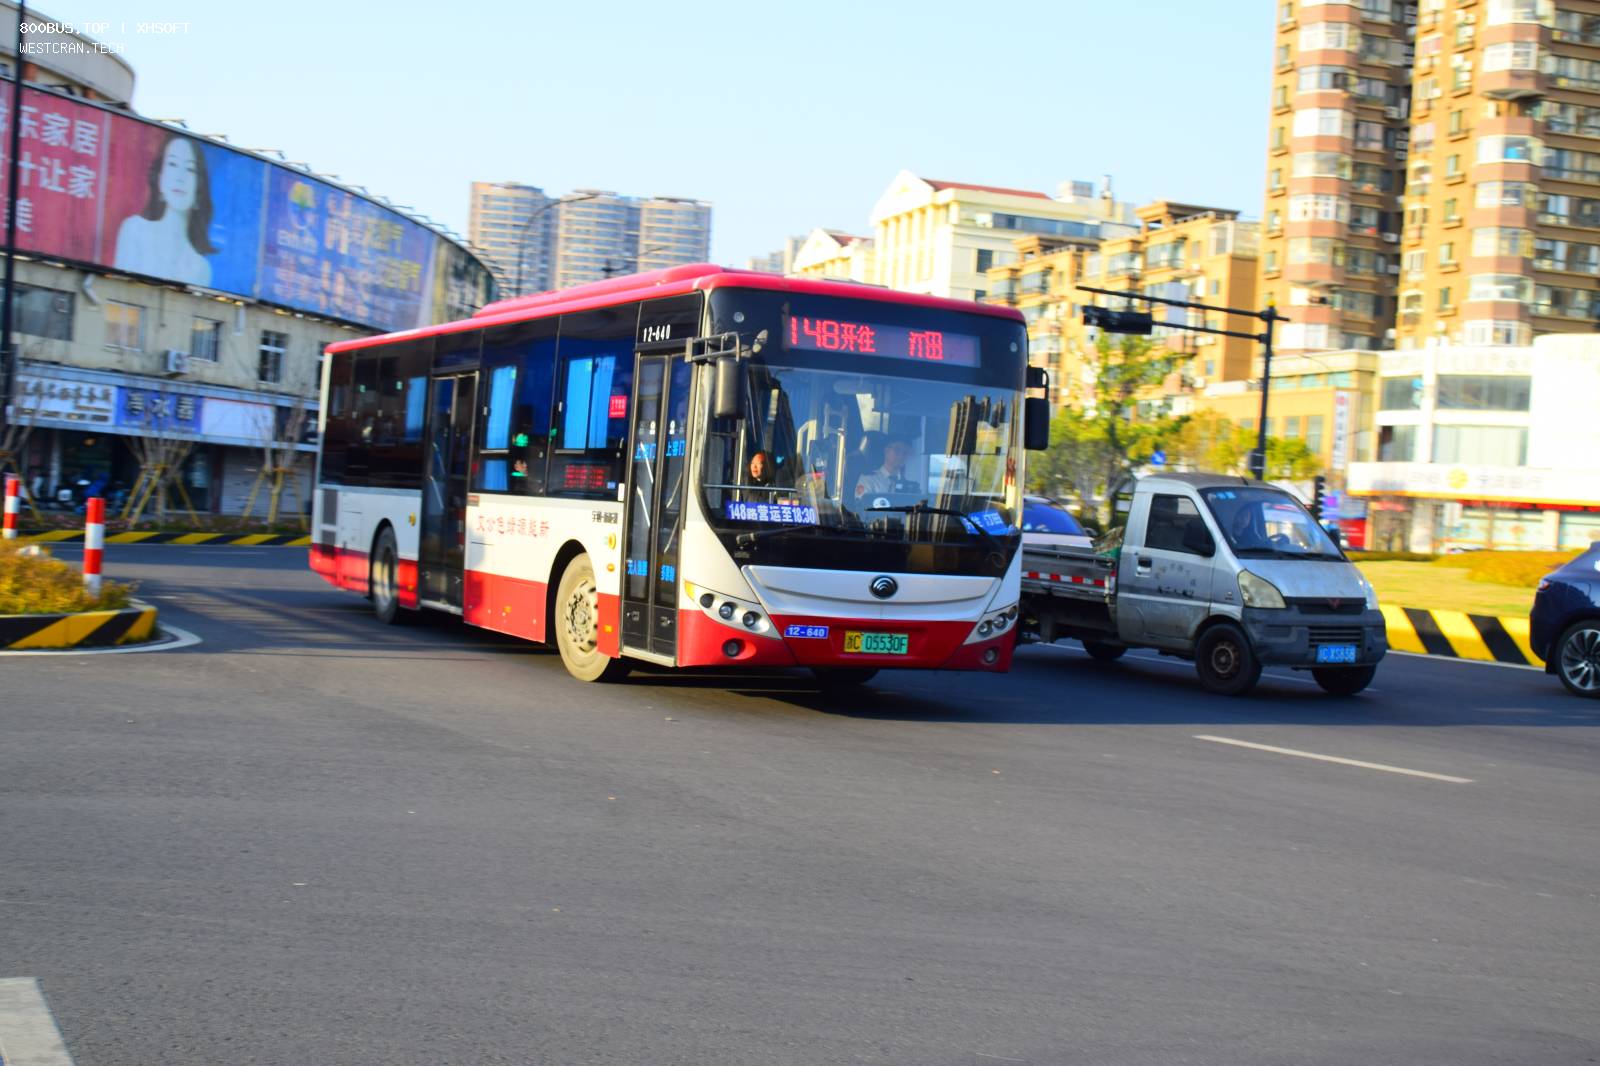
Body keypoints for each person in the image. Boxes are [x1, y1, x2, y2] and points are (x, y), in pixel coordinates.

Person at [114, 133, 216, 287]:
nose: (180, 177)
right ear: (160, 178)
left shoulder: (201, 268)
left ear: (199, 186)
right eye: (173, 164)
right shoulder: (134, 230)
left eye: (190, 169)